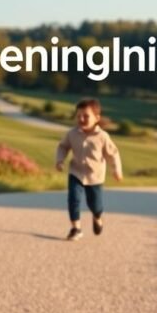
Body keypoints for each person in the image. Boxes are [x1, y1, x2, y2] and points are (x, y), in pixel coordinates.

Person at [55, 98, 123, 241]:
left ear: (97, 118)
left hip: (95, 177)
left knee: (95, 204)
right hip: (76, 172)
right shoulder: (72, 133)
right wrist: (60, 160)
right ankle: (76, 228)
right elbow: (63, 147)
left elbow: (113, 153)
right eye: (78, 115)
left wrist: (116, 169)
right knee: (73, 199)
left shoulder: (103, 136)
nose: (81, 118)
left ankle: (97, 217)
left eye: (86, 116)